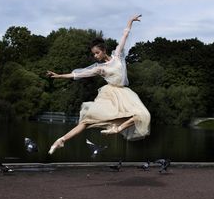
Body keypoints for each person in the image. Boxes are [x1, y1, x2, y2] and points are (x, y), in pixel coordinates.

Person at [47, 14, 151, 154]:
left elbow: (124, 36)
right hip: (110, 96)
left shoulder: (117, 56)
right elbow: (78, 74)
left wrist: (130, 20)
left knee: (142, 115)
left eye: (97, 53)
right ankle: (61, 140)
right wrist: (59, 76)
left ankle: (118, 129)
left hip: (124, 94)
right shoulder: (100, 68)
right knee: (87, 121)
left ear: (103, 50)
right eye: (94, 54)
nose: (95, 56)